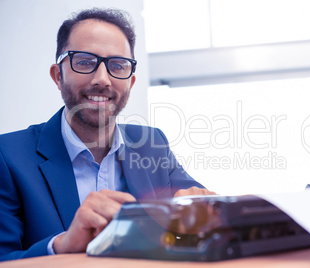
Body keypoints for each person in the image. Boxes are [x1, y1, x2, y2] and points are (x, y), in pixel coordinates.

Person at [0, 8, 214, 261]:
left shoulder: (152, 143)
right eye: (84, 62)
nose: (102, 79)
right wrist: (62, 244)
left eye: (118, 66)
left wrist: (202, 212)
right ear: (58, 76)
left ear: (130, 83)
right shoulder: (8, 155)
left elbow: (199, 215)